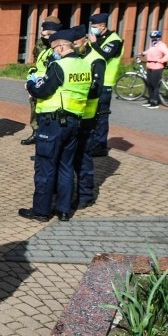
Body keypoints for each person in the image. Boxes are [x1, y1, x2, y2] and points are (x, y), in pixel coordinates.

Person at [18, 28, 91, 223]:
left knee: (45, 168)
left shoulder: (60, 67)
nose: (53, 52)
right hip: (74, 122)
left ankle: (41, 211)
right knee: (66, 167)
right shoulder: (84, 65)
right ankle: (64, 210)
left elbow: (44, 91)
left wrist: (31, 86)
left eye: (54, 49)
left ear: (60, 46)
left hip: (53, 123)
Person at [72, 25, 106, 210]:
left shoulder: (96, 60)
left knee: (83, 158)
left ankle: (86, 195)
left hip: (87, 116)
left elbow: (95, 90)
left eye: (76, 42)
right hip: (70, 115)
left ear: (85, 39)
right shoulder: (75, 57)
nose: (74, 46)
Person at [86, 12, 123, 156]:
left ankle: (100, 146)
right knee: (92, 115)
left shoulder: (114, 40)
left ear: (102, 26)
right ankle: (92, 142)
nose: (93, 29)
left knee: (101, 116)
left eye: (95, 26)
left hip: (105, 84)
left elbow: (104, 56)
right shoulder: (98, 38)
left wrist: (94, 43)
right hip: (94, 81)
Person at [20, 16, 62, 145]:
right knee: (34, 108)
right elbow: (37, 63)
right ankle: (35, 132)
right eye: (43, 34)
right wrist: (30, 80)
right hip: (37, 83)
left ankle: (44, 136)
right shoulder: (40, 44)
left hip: (49, 84)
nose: (45, 37)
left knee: (47, 113)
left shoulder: (60, 46)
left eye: (48, 34)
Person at [141, 30, 168, 109]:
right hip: (149, 66)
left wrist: (162, 60)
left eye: (155, 37)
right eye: (152, 37)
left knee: (155, 85)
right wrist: (143, 53)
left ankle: (155, 102)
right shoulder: (153, 44)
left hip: (157, 66)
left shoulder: (161, 45)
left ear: (159, 37)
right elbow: (150, 51)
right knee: (149, 84)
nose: (154, 38)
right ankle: (150, 100)